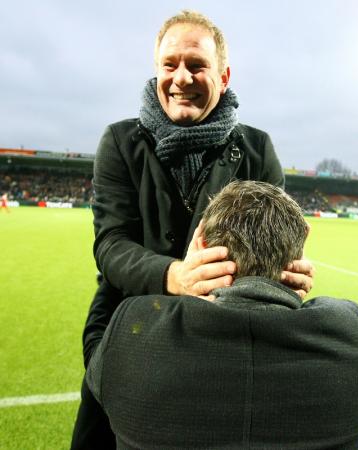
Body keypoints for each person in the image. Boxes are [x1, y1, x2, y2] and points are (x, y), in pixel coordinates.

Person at [71, 10, 314, 449]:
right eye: (170, 64)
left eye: (196, 65)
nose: (181, 77)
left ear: (223, 74)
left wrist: (286, 271)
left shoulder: (257, 149)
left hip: (222, 332)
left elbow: (273, 243)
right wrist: (173, 276)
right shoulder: (120, 142)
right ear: (157, 70)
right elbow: (110, 243)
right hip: (128, 324)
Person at [86, 180, 358, 450]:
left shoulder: (130, 336)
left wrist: (114, 276)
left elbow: (95, 348)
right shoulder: (355, 336)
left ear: (200, 243)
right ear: (301, 244)